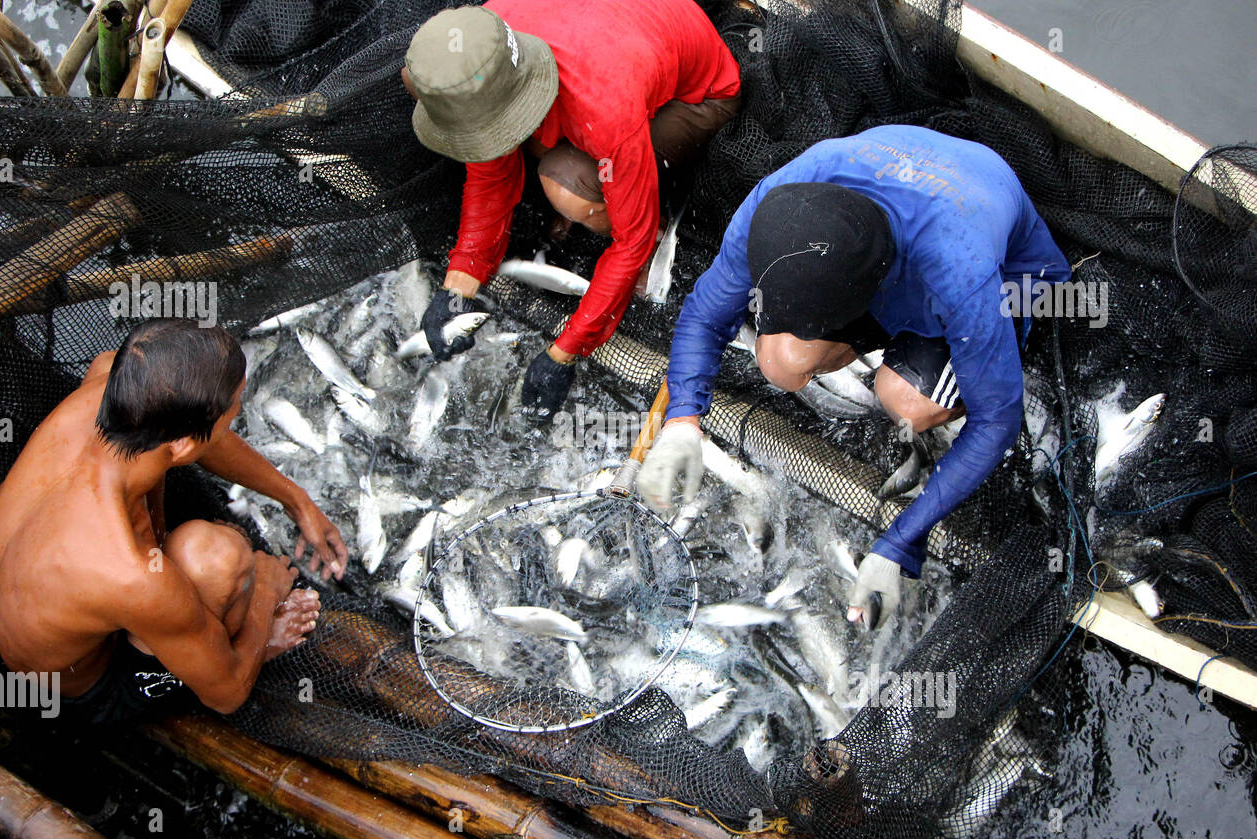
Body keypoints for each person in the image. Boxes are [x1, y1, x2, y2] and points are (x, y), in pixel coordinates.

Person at [637, 125, 1072, 628]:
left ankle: (923, 371)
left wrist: (897, 543)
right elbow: (705, 316)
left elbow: (998, 420)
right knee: (778, 360)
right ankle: (881, 348)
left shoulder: (962, 272)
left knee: (902, 398)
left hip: (1007, 272)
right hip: (871, 237)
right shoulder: (776, 209)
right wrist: (683, 421)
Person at [0, 319, 349, 728]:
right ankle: (242, 646)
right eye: (233, 410)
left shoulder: (109, 380)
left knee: (186, 563)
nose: (237, 413)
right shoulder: (131, 574)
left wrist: (296, 499)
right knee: (219, 557)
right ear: (182, 443)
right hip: (86, 688)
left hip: (24, 606)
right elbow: (226, 696)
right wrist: (266, 593)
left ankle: (188, 635)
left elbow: (207, 444)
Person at [403, 0, 741, 414]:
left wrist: (564, 351)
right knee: (526, 147)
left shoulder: (605, 104)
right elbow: (489, 174)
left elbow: (629, 241)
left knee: (565, 182)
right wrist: (457, 287)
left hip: (699, 100)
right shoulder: (485, 41)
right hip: (613, 46)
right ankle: (595, 175)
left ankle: (653, 222)